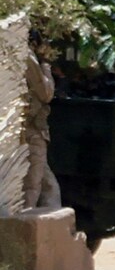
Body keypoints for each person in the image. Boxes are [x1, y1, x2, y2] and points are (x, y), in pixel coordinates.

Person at [22, 32, 61, 210]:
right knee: (33, 184)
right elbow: (46, 93)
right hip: (31, 131)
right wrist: (45, 65)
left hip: (31, 129)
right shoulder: (29, 58)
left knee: (48, 185)